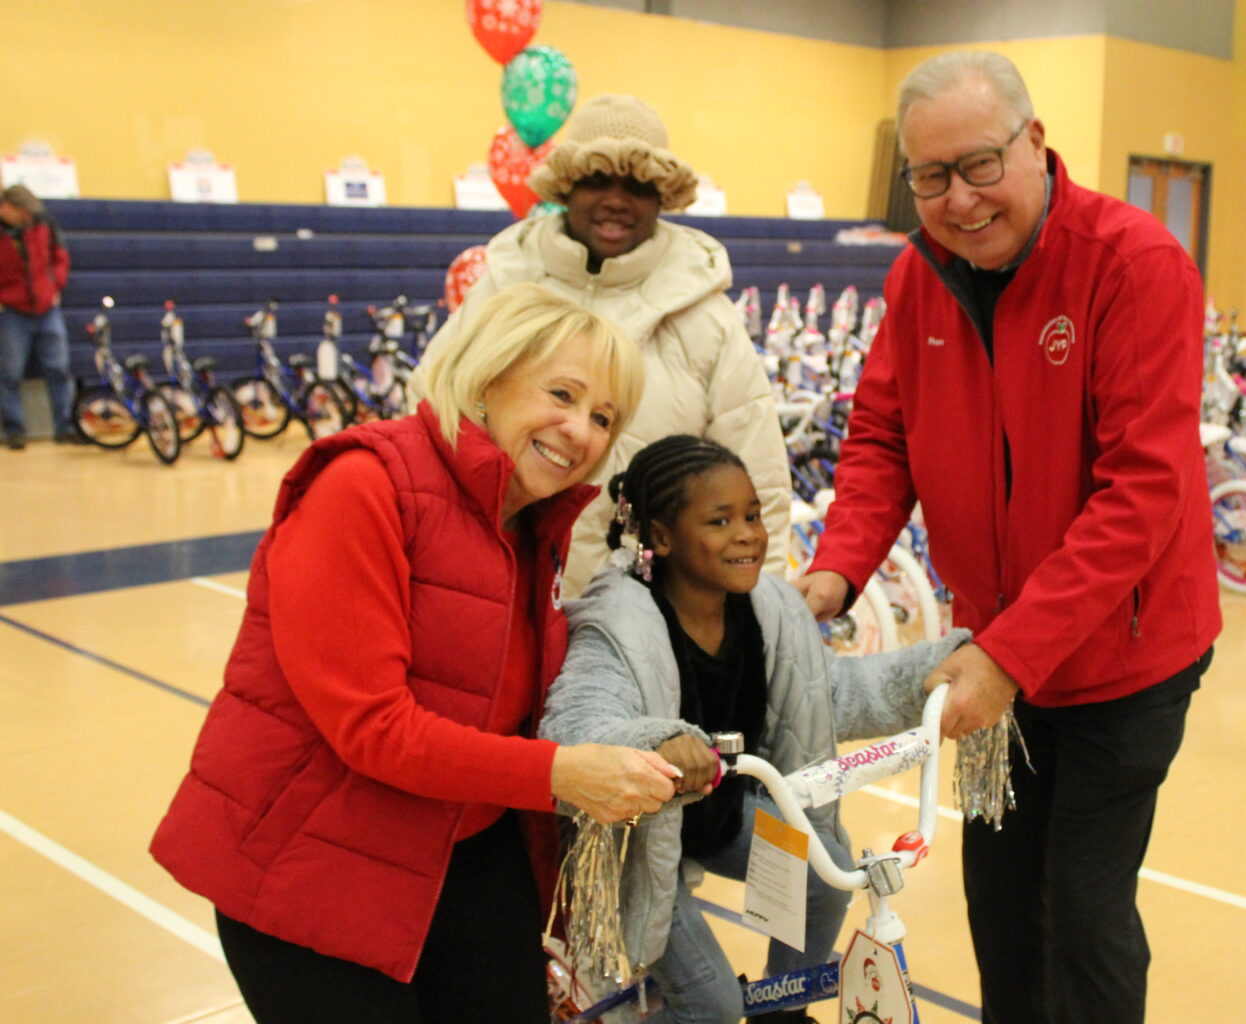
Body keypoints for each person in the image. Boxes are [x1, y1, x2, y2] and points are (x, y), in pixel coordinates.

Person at [794, 52, 1222, 1024]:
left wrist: (1010, 654)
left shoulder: (1135, 264)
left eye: (980, 163)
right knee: (999, 903)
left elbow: (1142, 496)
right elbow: (881, 439)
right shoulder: (917, 278)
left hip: (1126, 658)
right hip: (994, 652)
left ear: (1035, 143)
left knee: (1083, 905)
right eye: (930, 176)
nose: (959, 197)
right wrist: (835, 574)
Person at [150, 283, 682, 1023]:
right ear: (489, 377)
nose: (581, 431)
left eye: (603, 418)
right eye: (561, 393)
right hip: (312, 864)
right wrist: (562, 775)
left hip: (462, 848)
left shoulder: (530, 523)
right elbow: (374, 727)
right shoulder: (363, 485)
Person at [539, 435, 970, 1024]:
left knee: (826, 876)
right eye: (720, 521)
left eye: (752, 516)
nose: (748, 534)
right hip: (632, 843)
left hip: (713, 819)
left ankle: (782, 1011)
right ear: (661, 538)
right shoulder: (619, 623)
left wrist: (931, 672)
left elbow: (831, 693)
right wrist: (653, 741)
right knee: (711, 1006)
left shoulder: (770, 610)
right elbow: (576, 725)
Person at [433, 94, 792, 597]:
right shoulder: (504, 286)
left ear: (664, 196)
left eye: (639, 185)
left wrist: (760, 616)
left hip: (642, 615)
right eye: (598, 179)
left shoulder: (707, 320)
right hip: (490, 591)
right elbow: (432, 413)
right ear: (566, 186)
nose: (616, 200)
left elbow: (759, 484)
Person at [0, 183, 76, 449]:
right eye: (23, 214)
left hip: (47, 309)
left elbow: (60, 255)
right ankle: (14, 430)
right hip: (11, 312)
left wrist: (56, 286)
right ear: (7, 208)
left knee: (59, 369)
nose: (28, 219)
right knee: (9, 374)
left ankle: (65, 427)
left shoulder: (43, 222)